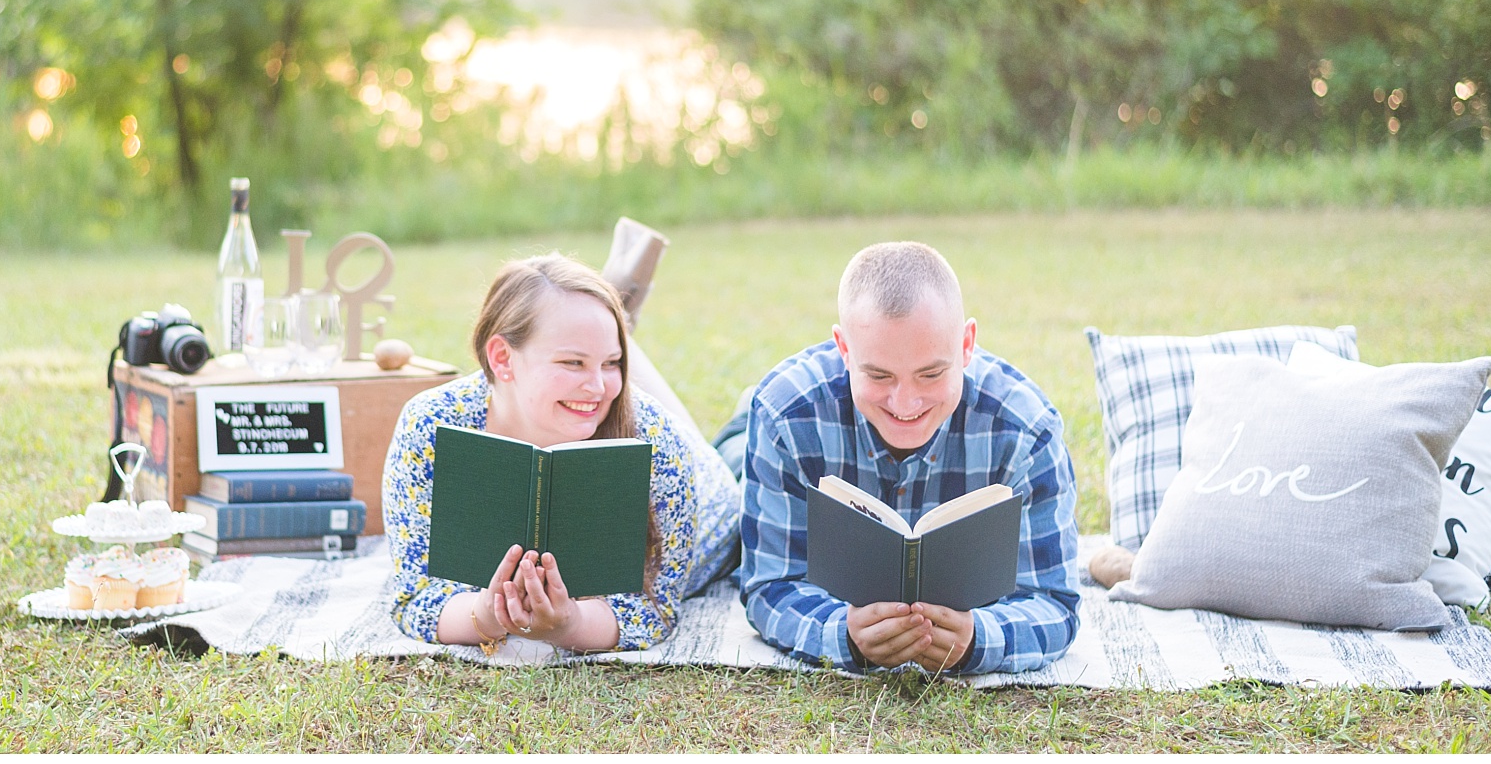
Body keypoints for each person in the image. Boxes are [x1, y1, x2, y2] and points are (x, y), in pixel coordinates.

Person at [736, 241, 1079, 674]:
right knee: (724, 470)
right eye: (879, 375)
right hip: (747, 449)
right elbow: (768, 585)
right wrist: (843, 634)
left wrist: (978, 639)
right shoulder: (784, 414)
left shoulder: (1026, 429)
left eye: (931, 374)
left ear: (967, 344)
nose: (905, 403)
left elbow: (1054, 603)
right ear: (844, 349)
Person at [382, 254, 741, 653]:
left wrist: (568, 624)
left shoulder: (656, 439)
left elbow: (650, 611)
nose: (599, 387)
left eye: (612, 363)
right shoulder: (432, 424)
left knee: (739, 448)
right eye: (573, 362)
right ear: (502, 358)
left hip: (714, 495)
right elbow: (415, 598)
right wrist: (488, 614)